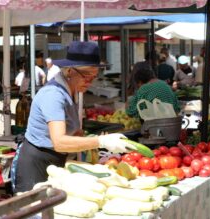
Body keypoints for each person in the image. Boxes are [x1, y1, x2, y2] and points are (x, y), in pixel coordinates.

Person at [12, 41, 135, 193]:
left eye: (94, 77)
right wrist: (100, 141)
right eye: (87, 76)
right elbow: (59, 142)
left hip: (55, 160)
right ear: (69, 71)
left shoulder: (71, 90)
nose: (90, 82)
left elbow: (66, 131)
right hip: (37, 163)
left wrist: (79, 137)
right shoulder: (53, 95)